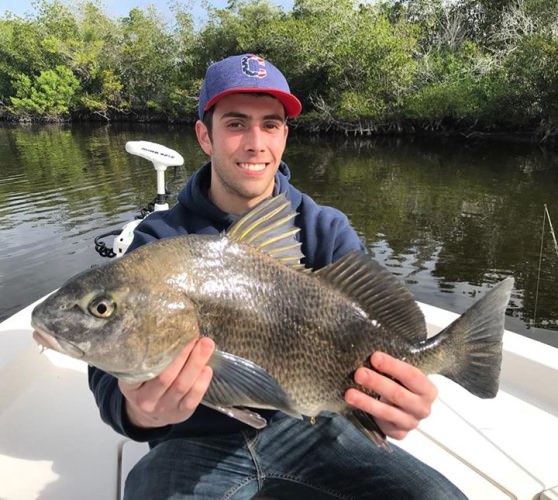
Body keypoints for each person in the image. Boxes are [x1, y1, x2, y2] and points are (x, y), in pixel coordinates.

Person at [89, 53, 466, 499]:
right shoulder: (158, 242)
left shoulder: (325, 229)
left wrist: (396, 400)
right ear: (204, 136)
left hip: (313, 427)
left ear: (284, 135)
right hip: (191, 441)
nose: (255, 142)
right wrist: (140, 410)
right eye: (235, 124)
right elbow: (106, 375)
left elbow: (378, 333)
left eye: (270, 124)